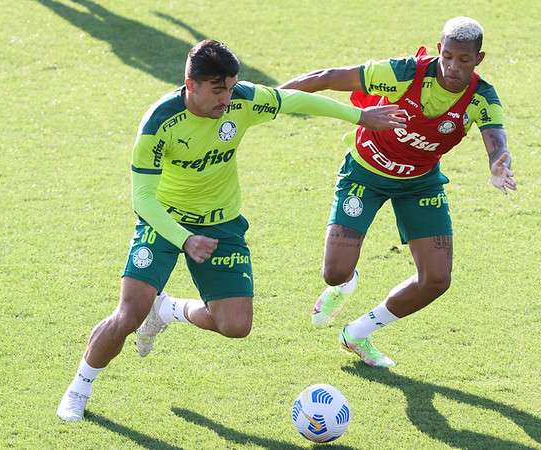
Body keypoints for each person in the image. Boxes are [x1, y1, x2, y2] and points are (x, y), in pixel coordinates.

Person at [56, 39, 406, 421]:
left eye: (231, 87)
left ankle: (168, 310)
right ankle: (79, 389)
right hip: (166, 222)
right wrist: (184, 239)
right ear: (190, 85)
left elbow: (296, 101)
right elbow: (143, 200)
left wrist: (361, 117)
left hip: (221, 224)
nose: (226, 98)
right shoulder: (160, 124)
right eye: (217, 89)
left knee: (235, 325)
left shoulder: (242, 100)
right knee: (127, 315)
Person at [279, 17, 516, 367]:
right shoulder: (404, 73)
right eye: (447, 56)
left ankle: (358, 333)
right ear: (439, 50)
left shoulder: (482, 98)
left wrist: (499, 164)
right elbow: (328, 77)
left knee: (436, 279)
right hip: (365, 172)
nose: (453, 66)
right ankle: (345, 285)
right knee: (334, 273)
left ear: (478, 59)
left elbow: (496, 140)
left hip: (419, 183)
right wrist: (268, 100)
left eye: (463, 60)